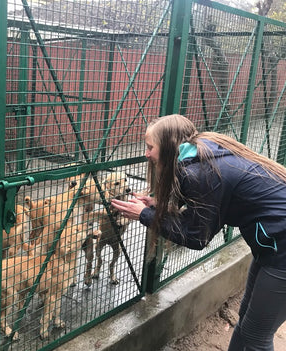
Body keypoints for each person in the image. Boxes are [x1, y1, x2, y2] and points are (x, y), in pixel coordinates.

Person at [111, 114, 286, 351]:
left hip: (281, 252)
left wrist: (145, 215)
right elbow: (205, 210)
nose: (147, 153)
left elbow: (196, 237)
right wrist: (157, 206)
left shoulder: (200, 171)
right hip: (270, 247)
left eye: (150, 147)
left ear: (169, 146)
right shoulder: (203, 153)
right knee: (245, 320)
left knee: (257, 337)